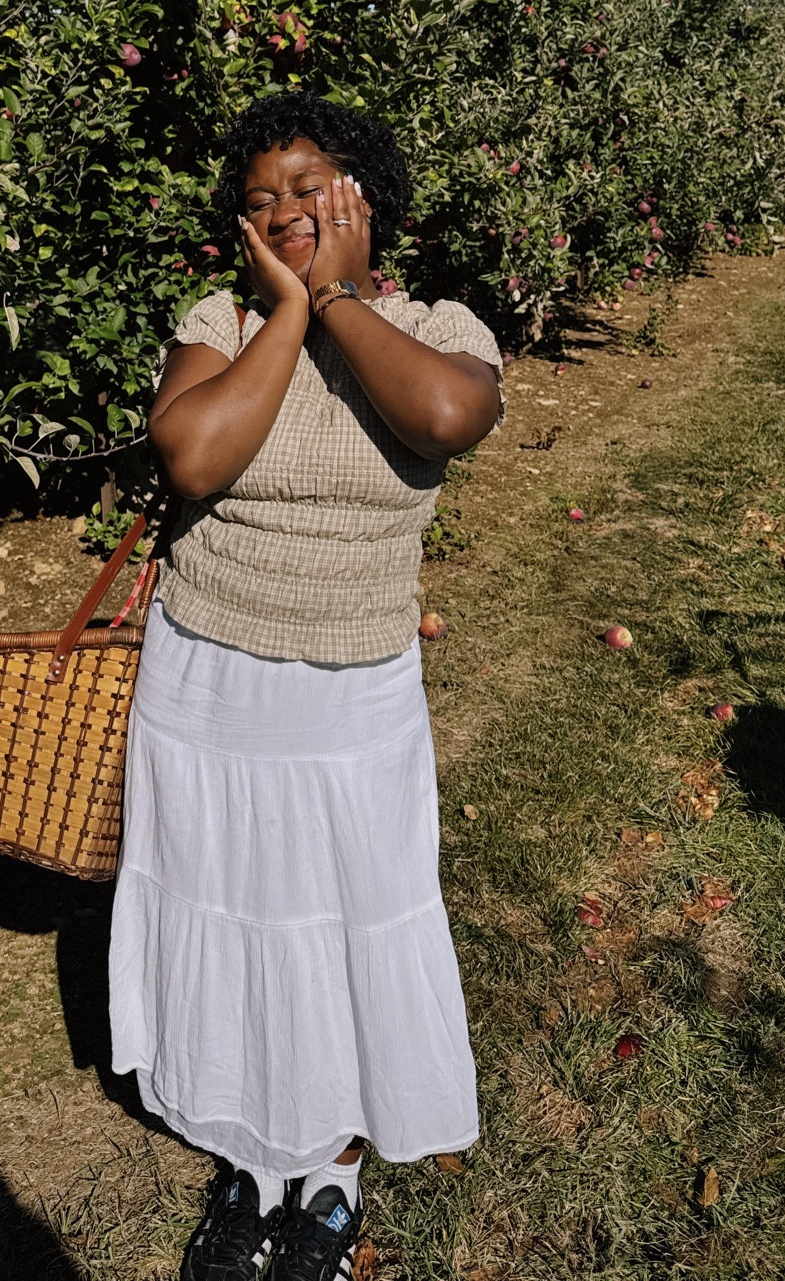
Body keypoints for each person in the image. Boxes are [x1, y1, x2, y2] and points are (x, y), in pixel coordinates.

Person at [109, 91, 504, 1281]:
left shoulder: (439, 323)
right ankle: (248, 1156)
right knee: (228, 919)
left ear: (362, 198)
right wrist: (285, 310)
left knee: (336, 929)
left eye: (310, 186)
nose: (285, 208)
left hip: (352, 696)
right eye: (262, 195)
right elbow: (193, 452)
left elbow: (442, 417)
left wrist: (334, 297)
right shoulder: (220, 321)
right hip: (210, 681)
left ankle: (326, 1172)